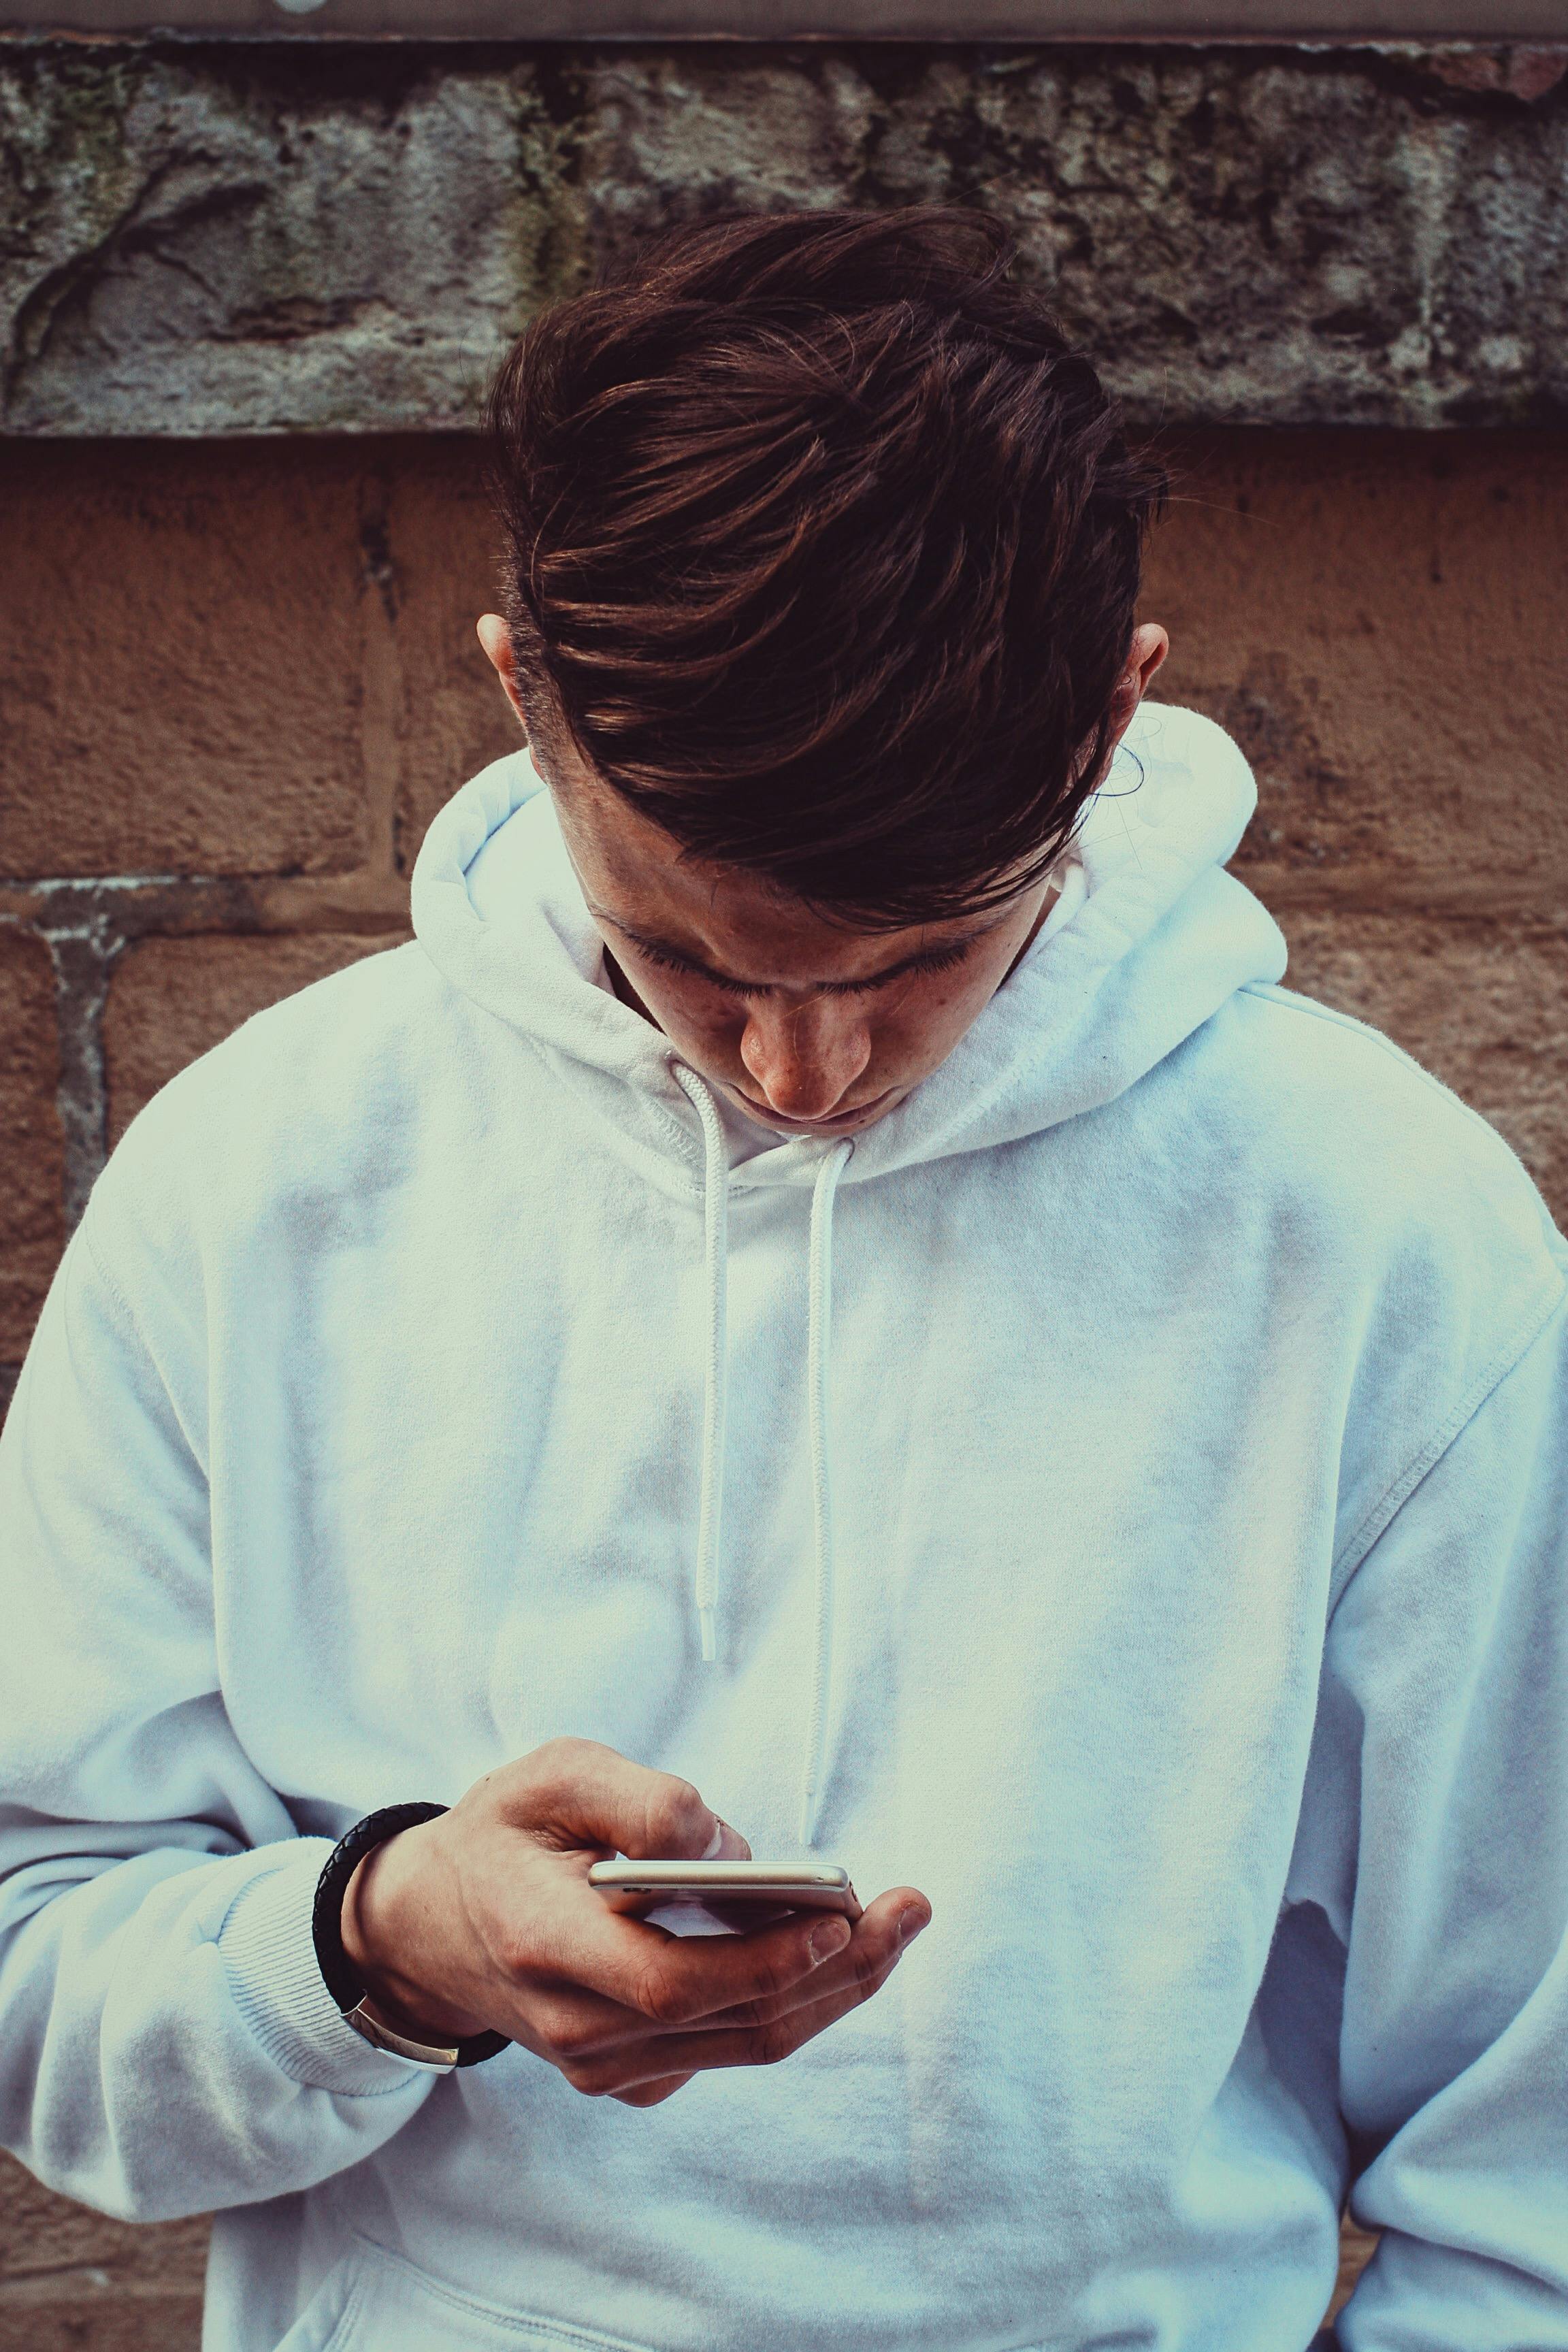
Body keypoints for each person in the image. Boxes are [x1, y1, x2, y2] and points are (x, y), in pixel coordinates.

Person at [1, 206, 1564, 2352]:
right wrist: (376, 1947)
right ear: (518, 693)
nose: (803, 1065)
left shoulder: (1383, 1237)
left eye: (926, 952)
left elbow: (1540, 2149)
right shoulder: (260, 1186)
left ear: (1117, 715)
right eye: (693, 953)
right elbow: (38, 1969)